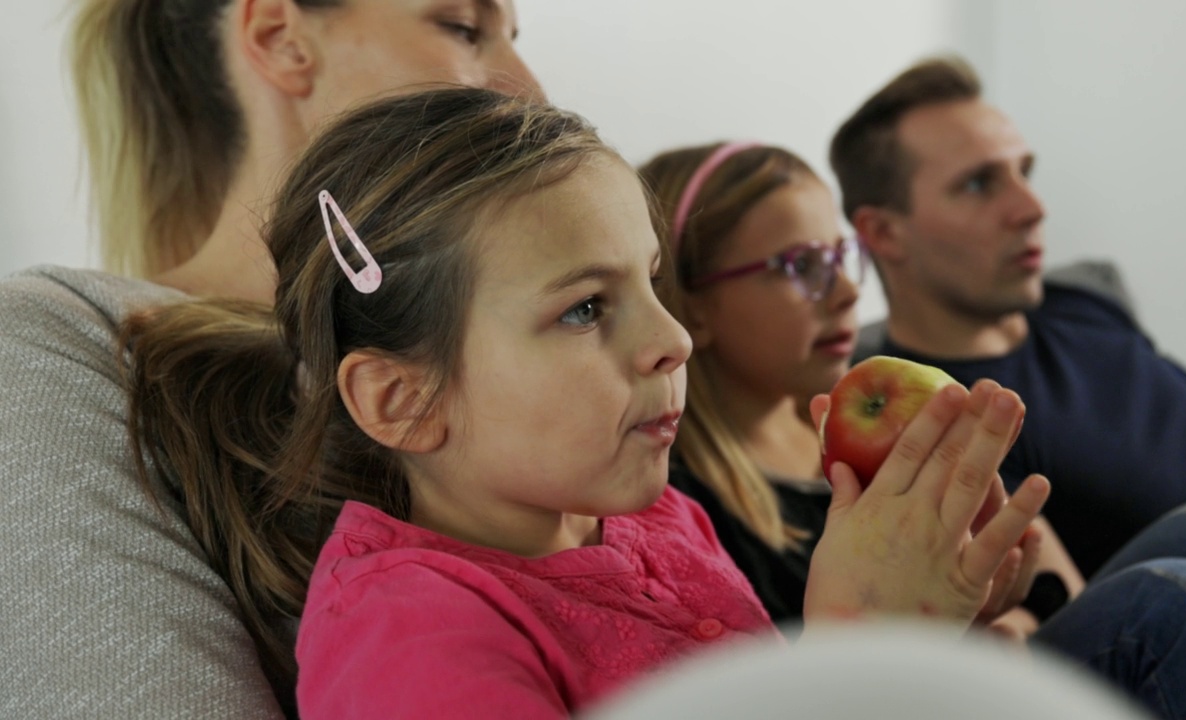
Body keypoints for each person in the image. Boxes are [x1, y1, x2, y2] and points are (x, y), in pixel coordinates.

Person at [122, 87, 1054, 718]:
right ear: (402, 399)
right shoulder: (408, 632)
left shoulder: (658, 519)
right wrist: (857, 648)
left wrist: (928, 626)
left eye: (651, 282)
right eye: (584, 309)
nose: (673, 339)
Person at [0, 1, 538, 717]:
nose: (530, 90)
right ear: (282, 40)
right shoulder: (61, 337)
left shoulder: (529, 359)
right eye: (463, 28)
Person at [639, 138, 1186, 719]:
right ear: (694, 307)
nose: (844, 293)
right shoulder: (686, 506)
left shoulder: (880, 407)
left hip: (1000, 668)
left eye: (842, 256)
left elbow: (1053, 576)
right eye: (801, 266)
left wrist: (1004, 616)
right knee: (1184, 604)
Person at [828, 55, 1186, 577]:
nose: (1032, 207)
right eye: (978, 184)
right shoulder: (945, 422)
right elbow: (1077, 616)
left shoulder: (1081, 305)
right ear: (884, 233)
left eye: (1024, 172)